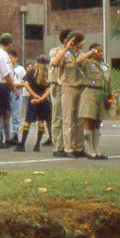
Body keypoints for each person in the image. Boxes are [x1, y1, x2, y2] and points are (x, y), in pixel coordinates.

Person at [52, 31, 87, 157]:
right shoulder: (64, 53)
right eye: (82, 40)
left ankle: (78, 147)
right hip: (68, 87)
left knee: (80, 120)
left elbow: (81, 65)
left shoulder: (81, 54)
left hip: (80, 87)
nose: (84, 43)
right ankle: (68, 148)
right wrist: (66, 48)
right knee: (67, 119)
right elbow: (54, 63)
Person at [78, 43, 112, 160]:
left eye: (102, 51)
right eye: (98, 51)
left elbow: (109, 84)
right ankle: (89, 150)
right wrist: (90, 53)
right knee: (89, 121)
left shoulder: (105, 66)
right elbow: (78, 62)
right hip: (90, 92)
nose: (101, 53)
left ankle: (97, 150)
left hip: (102, 93)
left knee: (98, 122)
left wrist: (110, 99)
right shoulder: (87, 63)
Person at [0, 33, 21, 148]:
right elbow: (6, 74)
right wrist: (14, 89)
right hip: (1, 85)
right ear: (9, 43)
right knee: (1, 113)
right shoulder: (3, 55)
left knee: (4, 112)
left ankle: (6, 138)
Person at [18, 55, 51, 152]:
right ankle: (37, 145)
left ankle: (22, 144)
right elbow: (49, 88)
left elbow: (26, 84)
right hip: (44, 101)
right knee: (41, 121)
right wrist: (41, 98)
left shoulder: (31, 71)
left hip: (32, 100)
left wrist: (34, 95)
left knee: (27, 121)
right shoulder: (48, 73)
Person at [48, 29, 72, 157]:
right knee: (58, 117)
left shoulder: (76, 53)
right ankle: (58, 147)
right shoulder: (55, 51)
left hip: (71, 88)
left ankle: (70, 146)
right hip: (57, 86)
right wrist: (66, 49)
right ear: (64, 40)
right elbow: (55, 63)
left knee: (70, 118)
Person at [9, 50, 27, 138]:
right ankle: (5, 135)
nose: (9, 60)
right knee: (5, 114)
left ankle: (15, 133)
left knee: (16, 113)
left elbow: (25, 82)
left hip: (17, 91)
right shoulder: (6, 68)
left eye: (11, 58)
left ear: (16, 58)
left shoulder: (21, 69)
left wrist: (16, 84)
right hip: (7, 91)